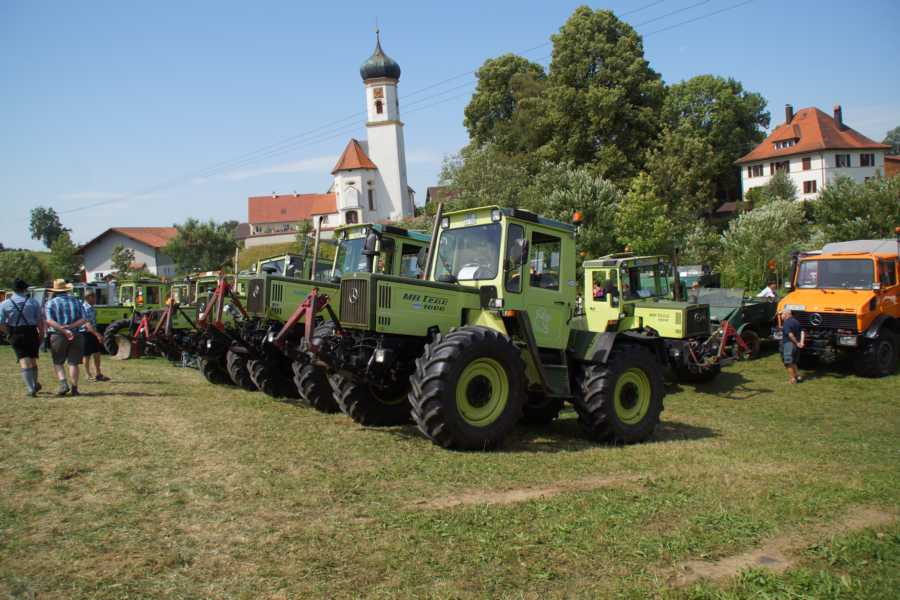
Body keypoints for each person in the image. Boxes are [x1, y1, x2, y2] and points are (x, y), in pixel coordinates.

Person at [44, 279, 97, 396]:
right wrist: (71, 327)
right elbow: (84, 319)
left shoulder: (50, 303)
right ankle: (74, 388)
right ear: (66, 289)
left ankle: (63, 383)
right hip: (77, 334)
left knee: (58, 362)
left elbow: (49, 320)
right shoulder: (77, 301)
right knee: (73, 363)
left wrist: (64, 330)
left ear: (55, 290)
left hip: (58, 335)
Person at [0, 278, 44, 396]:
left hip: (15, 332)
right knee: (33, 359)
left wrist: (8, 333)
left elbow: (1, 323)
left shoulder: (5, 304)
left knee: (24, 360)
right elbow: (40, 321)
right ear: (25, 289)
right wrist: (41, 334)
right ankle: (34, 385)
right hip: (32, 332)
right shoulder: (33, 302)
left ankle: (31, 389)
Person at [80, 290, 110, 382]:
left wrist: (96, 333)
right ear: (89, 297)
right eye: (94, 297)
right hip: (85, 333)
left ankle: (98, 374)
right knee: (87, 355)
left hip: (93, 332)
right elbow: (87, 324)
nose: (96, 299)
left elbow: (93, 322)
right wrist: (97, 334)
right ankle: (88, 374)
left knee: (97, 353)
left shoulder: (92, 308)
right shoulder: (84, 308)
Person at [781, 308, 805, 384]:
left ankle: (792, 379)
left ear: (787, 314)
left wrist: (797, 342)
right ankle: (798, 376)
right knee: (793, 362)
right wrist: (801, 342)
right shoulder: (796, 321)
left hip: (789, 344)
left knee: (788, 362)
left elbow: (790, 335)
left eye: (782, 314)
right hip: (796, 345)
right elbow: (802, 332)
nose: (781, 316)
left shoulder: (786, 323)